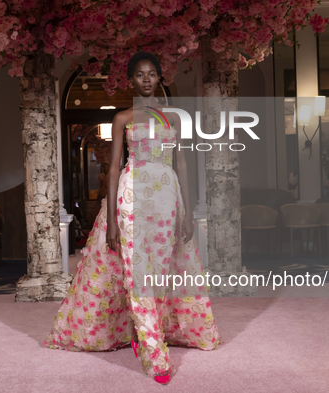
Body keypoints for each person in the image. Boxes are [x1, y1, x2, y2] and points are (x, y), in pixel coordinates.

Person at [44, 52, 220, 385]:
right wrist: (110, 218)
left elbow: (181, 164)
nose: (147, 79)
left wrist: (187, 210)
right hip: (132, 195)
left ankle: (142, 330)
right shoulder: (123, 118)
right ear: (131, 80)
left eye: (152, 73)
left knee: (161, 269)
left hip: (167, 199)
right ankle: (155, 355)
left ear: (159, 78)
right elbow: (112, 168)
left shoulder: (174, 119)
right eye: (140, 74)